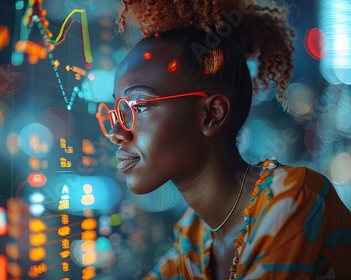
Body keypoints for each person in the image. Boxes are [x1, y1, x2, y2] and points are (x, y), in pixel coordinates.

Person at [95, 0, 351, 279]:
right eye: (117, 111)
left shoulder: (294, 198)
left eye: (138, 107)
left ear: (211, 115)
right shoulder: (194, 233)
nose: (117, 132)